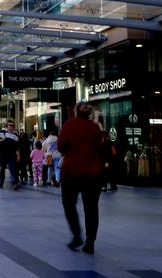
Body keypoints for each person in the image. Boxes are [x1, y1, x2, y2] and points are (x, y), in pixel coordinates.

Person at [58, 102, 104, 254]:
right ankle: (90, 242)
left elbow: (61, 146)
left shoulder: (70, 125)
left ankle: (77, 235)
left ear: (76, 112)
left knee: (69, 204)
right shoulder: (95, 127)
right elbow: (99, 147)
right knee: (91, 209)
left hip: (72, 172)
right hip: (93, 174)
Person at [0, 120, 20, 189]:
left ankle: (15, 183)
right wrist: (2, 141)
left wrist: (18, 155)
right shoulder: (1, 132)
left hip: (11, 154)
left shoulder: (15, 135)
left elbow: (17, 146)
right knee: (2, 168)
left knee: (12, 168)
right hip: (2, 153)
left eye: (13, 125)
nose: (11, 127)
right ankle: (1, 183)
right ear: (6, 125)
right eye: (10, 125)